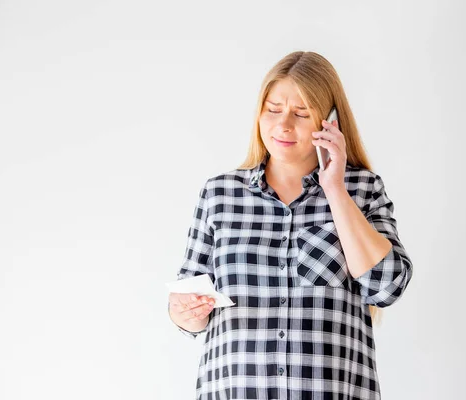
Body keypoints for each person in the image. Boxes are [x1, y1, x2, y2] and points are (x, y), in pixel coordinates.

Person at [168, 50, 414, 400]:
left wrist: (335, 189)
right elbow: (189, 306)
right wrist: (184, 313)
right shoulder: (218, 195)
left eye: (301, 113)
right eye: (272, 109)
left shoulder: (363, 190)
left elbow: (386, 287)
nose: (283, 125)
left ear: (330, 122)